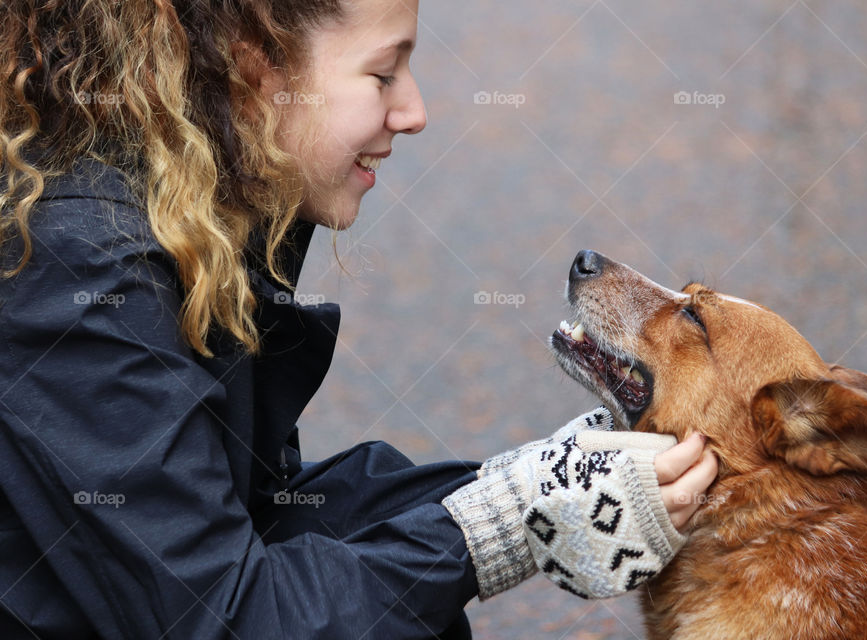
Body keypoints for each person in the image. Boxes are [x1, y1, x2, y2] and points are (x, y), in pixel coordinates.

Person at [0, 1, 719, 638]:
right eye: (383, 75)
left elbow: (261, 511)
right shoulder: (84, 265)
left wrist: (543, 482)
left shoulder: (198, 193)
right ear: (259, 69)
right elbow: (225, 616)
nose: (413, 111)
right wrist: (509, 524)